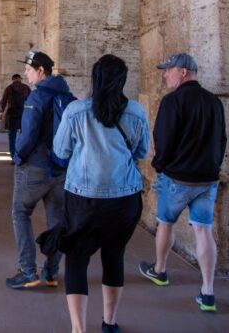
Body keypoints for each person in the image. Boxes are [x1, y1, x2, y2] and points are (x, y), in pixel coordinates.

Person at [52, 54, 150, 333]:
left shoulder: (76, 111)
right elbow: (142, 152)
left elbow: (61, 152)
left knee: (77, 258)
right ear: (122, 80)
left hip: (84, 197)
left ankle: (79, 329)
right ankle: (109, 323)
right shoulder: (136, 112)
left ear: (95, 79)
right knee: (114, 256)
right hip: (125, 198)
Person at [139, 52, 226, 313]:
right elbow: (222, 140)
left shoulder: (172, 101)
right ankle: (208, 291)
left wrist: (160, 167)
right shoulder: (213, 102)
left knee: (165, 223)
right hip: (207, 178)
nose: (165, 75)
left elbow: (163, 140)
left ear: (183, 72)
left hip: (177, 177)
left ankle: (160, 270)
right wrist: (213, 167)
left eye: (169, 70)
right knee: (203, 230)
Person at [6, 50, 72, 290]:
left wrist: (18, 156)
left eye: (28, 69)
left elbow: (28, 134)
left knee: (20, 213)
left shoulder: (37, 97)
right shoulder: (69, 98)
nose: (25, 72)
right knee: (57, 221)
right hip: (61, 169)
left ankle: (27, 270)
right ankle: (52, 272)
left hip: (35, 166)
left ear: (40, 70)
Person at [0, 74, 31, 159]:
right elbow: (31, 101)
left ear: (12, 79)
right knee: (23, 134)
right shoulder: (25, 88)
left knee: (12, 135)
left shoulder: (9, 88)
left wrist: (1, 112)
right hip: (22, 114)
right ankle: (21, 154)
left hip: (11, 114)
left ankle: (13, 156)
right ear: (20, 79)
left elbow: (3, 102)